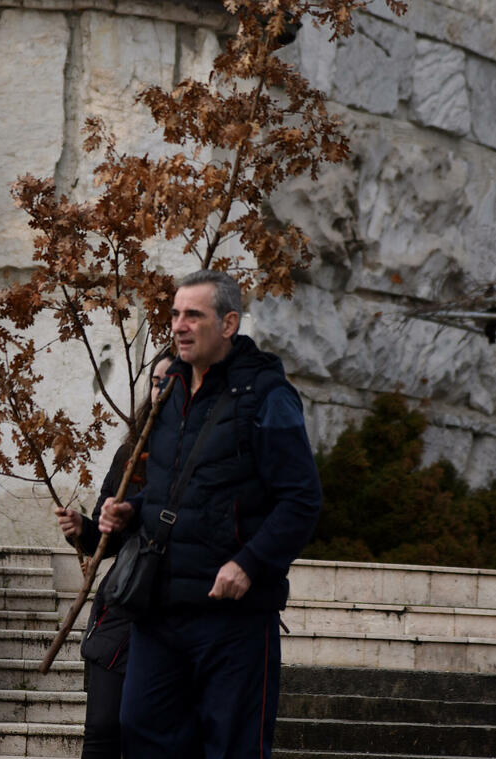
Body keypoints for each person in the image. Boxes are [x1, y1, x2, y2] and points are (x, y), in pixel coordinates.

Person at [98, 270, 322, 759]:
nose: (179, 325)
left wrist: (250, 563)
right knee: (141, 731)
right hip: (160, 608)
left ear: (228, 324)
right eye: (175, 314)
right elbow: (175, 490)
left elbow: (302, 500)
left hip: (233, 619)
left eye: (193, 315)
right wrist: (130, 512)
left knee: (232, 747)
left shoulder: (267, 395)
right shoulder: (170, 390)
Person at [55, 351, 173, 759]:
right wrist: (81, 528)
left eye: (170, 380)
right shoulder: (131, 455)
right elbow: (103, 542)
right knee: (103, 726)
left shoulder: (206, 454)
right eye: (156, 381)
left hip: (177, 603)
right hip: (123, 603)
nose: (162, 389)